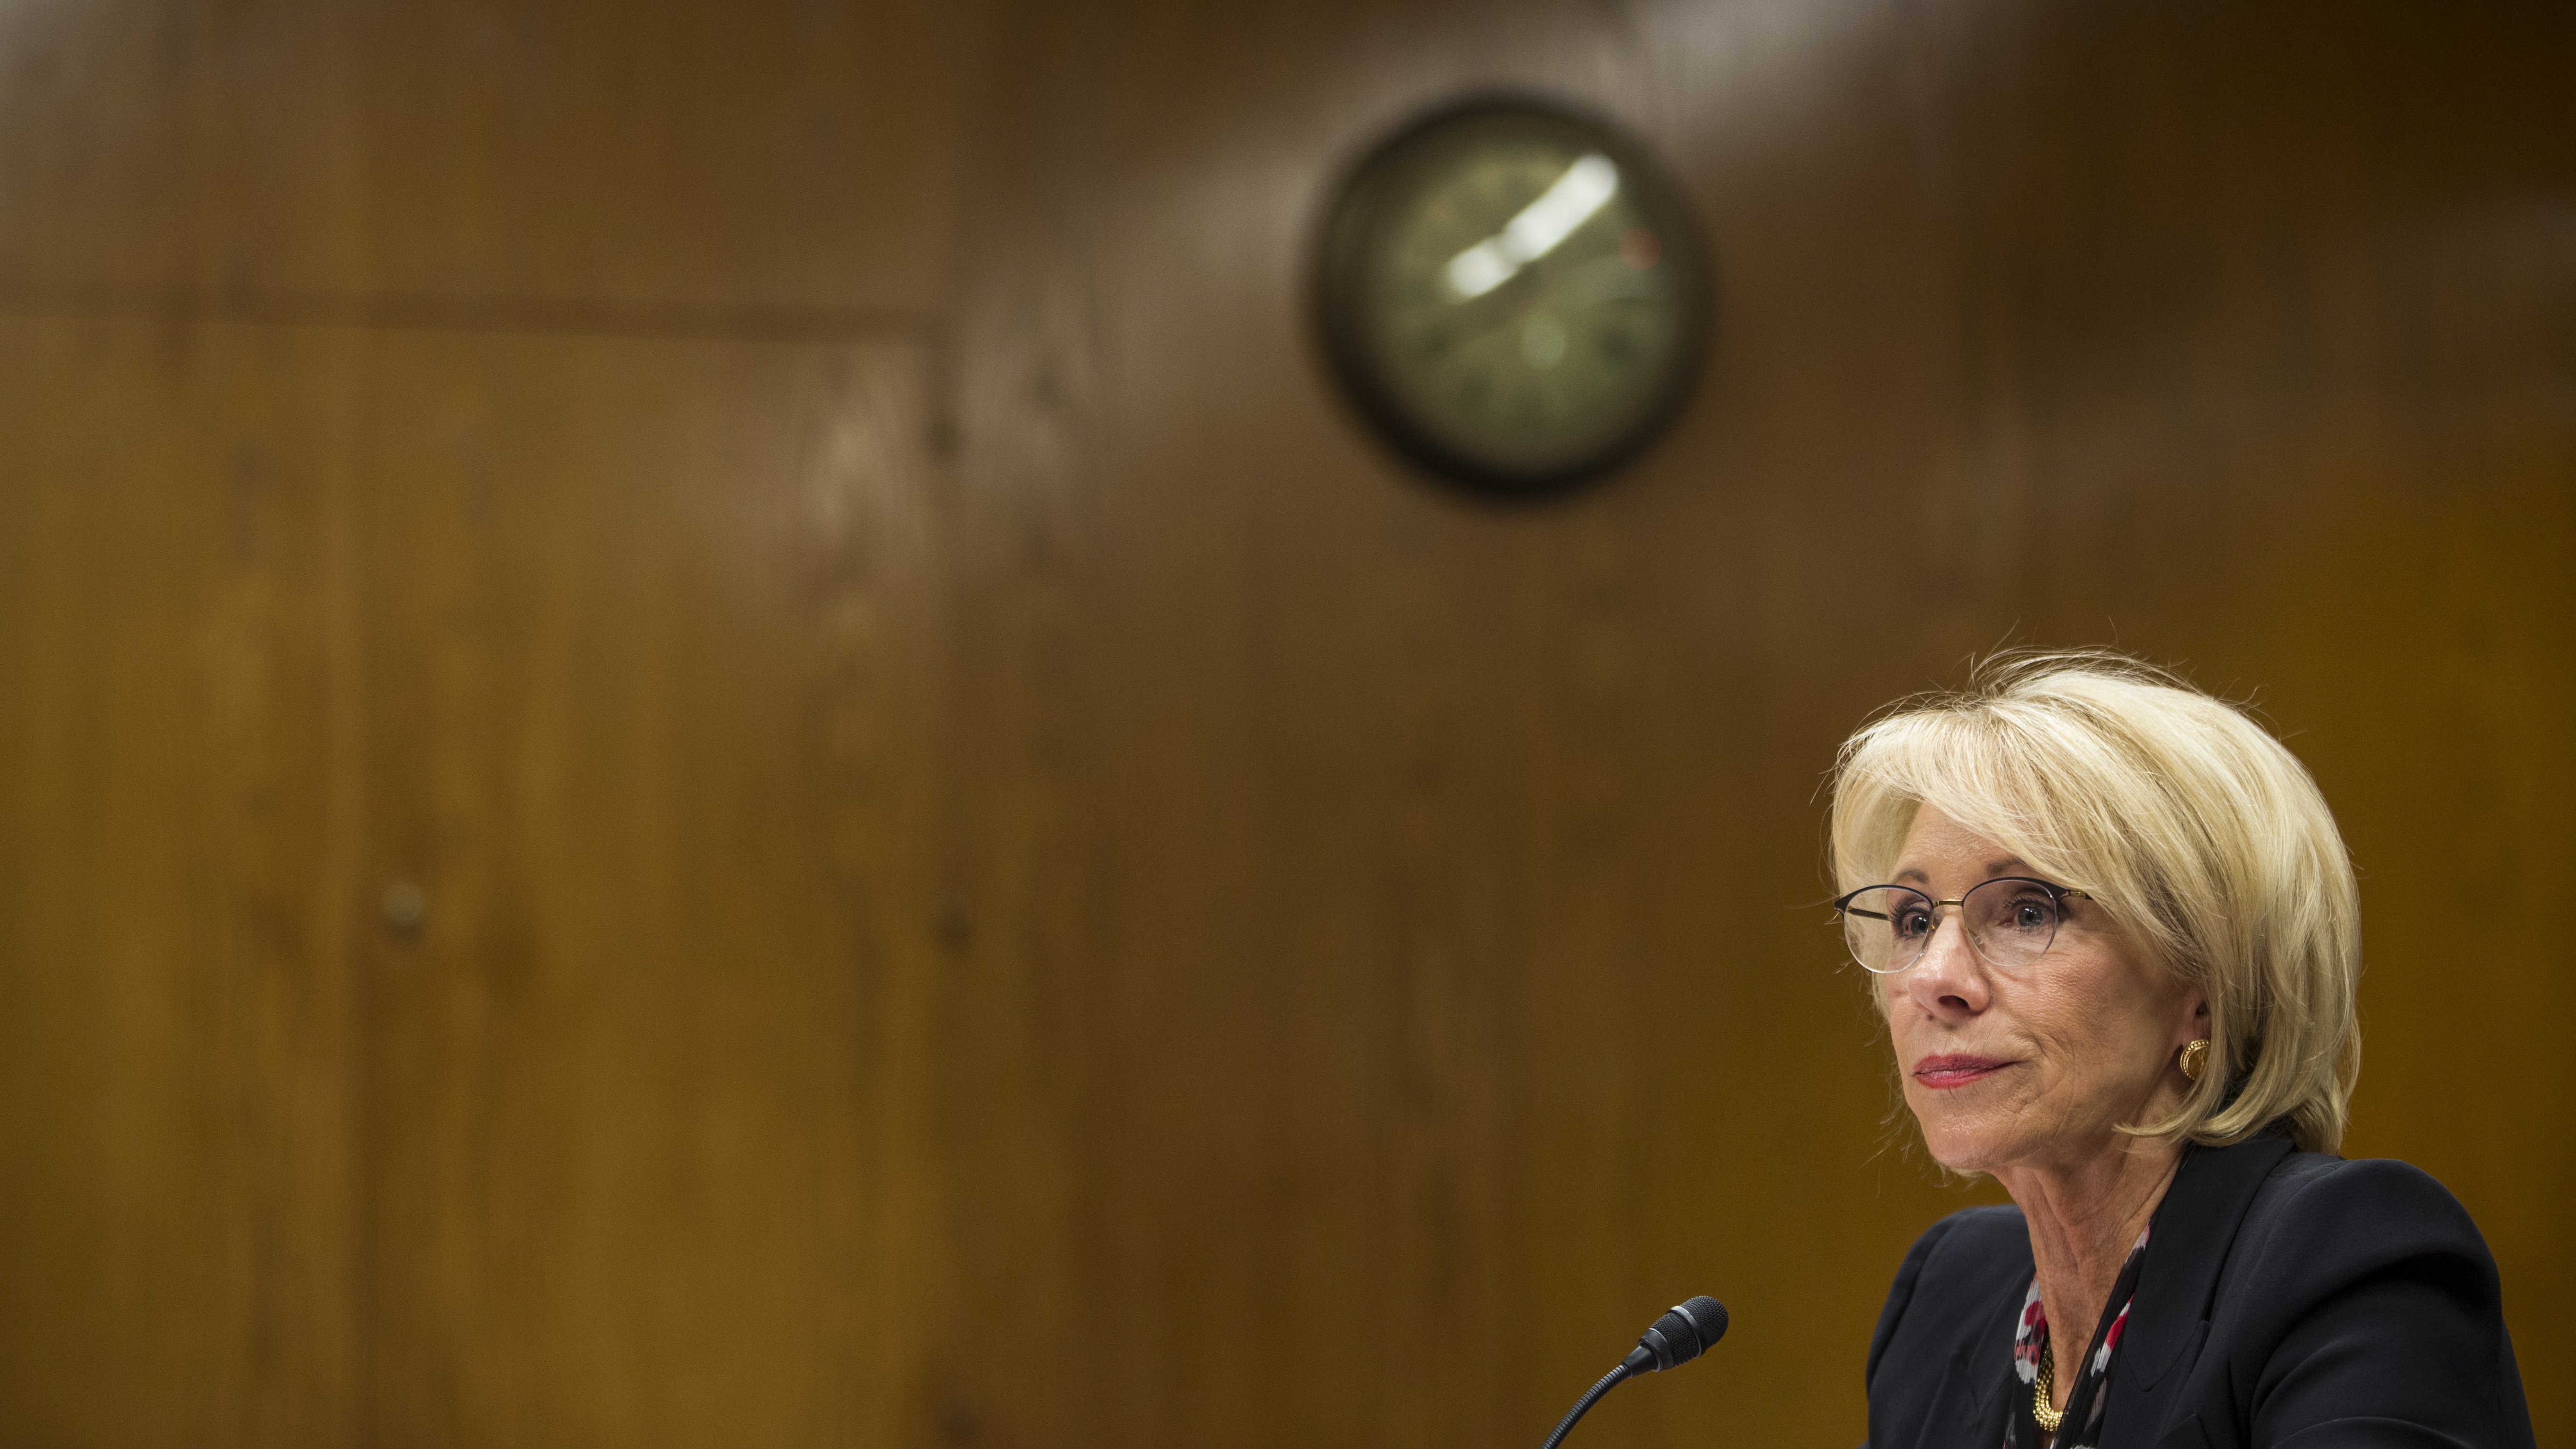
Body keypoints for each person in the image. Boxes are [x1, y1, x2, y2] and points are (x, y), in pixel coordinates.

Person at [1833, 653, 2533, 1449]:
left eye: (2027, 911)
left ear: (2200, 980)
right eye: (1915, 919)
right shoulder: (1947, 1297)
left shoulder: (2349, 1268)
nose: (1934, 978)